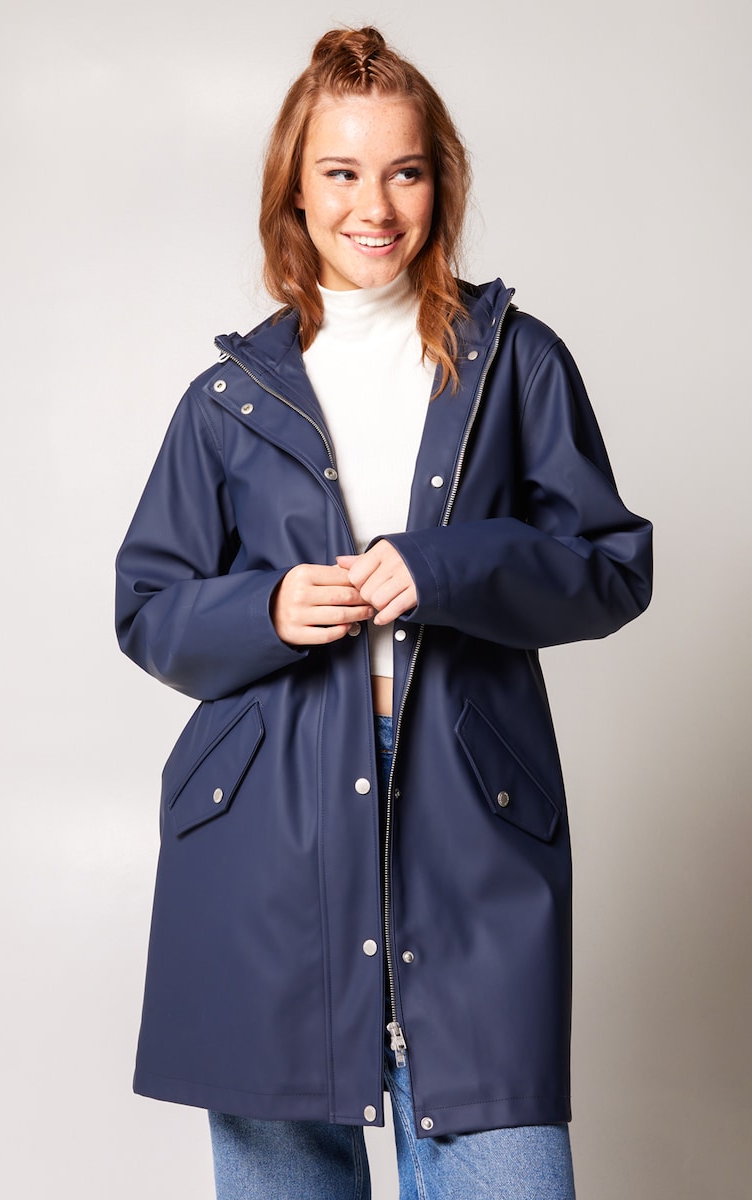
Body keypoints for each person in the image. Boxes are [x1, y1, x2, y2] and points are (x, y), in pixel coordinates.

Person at [115, 26, 652, 1200]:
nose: (375, 206)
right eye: (342, 172)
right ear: (294, 191)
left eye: (404, 171)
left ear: (440, 182)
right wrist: (269, 605)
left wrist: (446, 568)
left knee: (503, 1157)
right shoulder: (225, 398)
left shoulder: (514, 362)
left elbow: (611, 567)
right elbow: (149, 607)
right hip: (264, 826)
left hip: (467, 801)